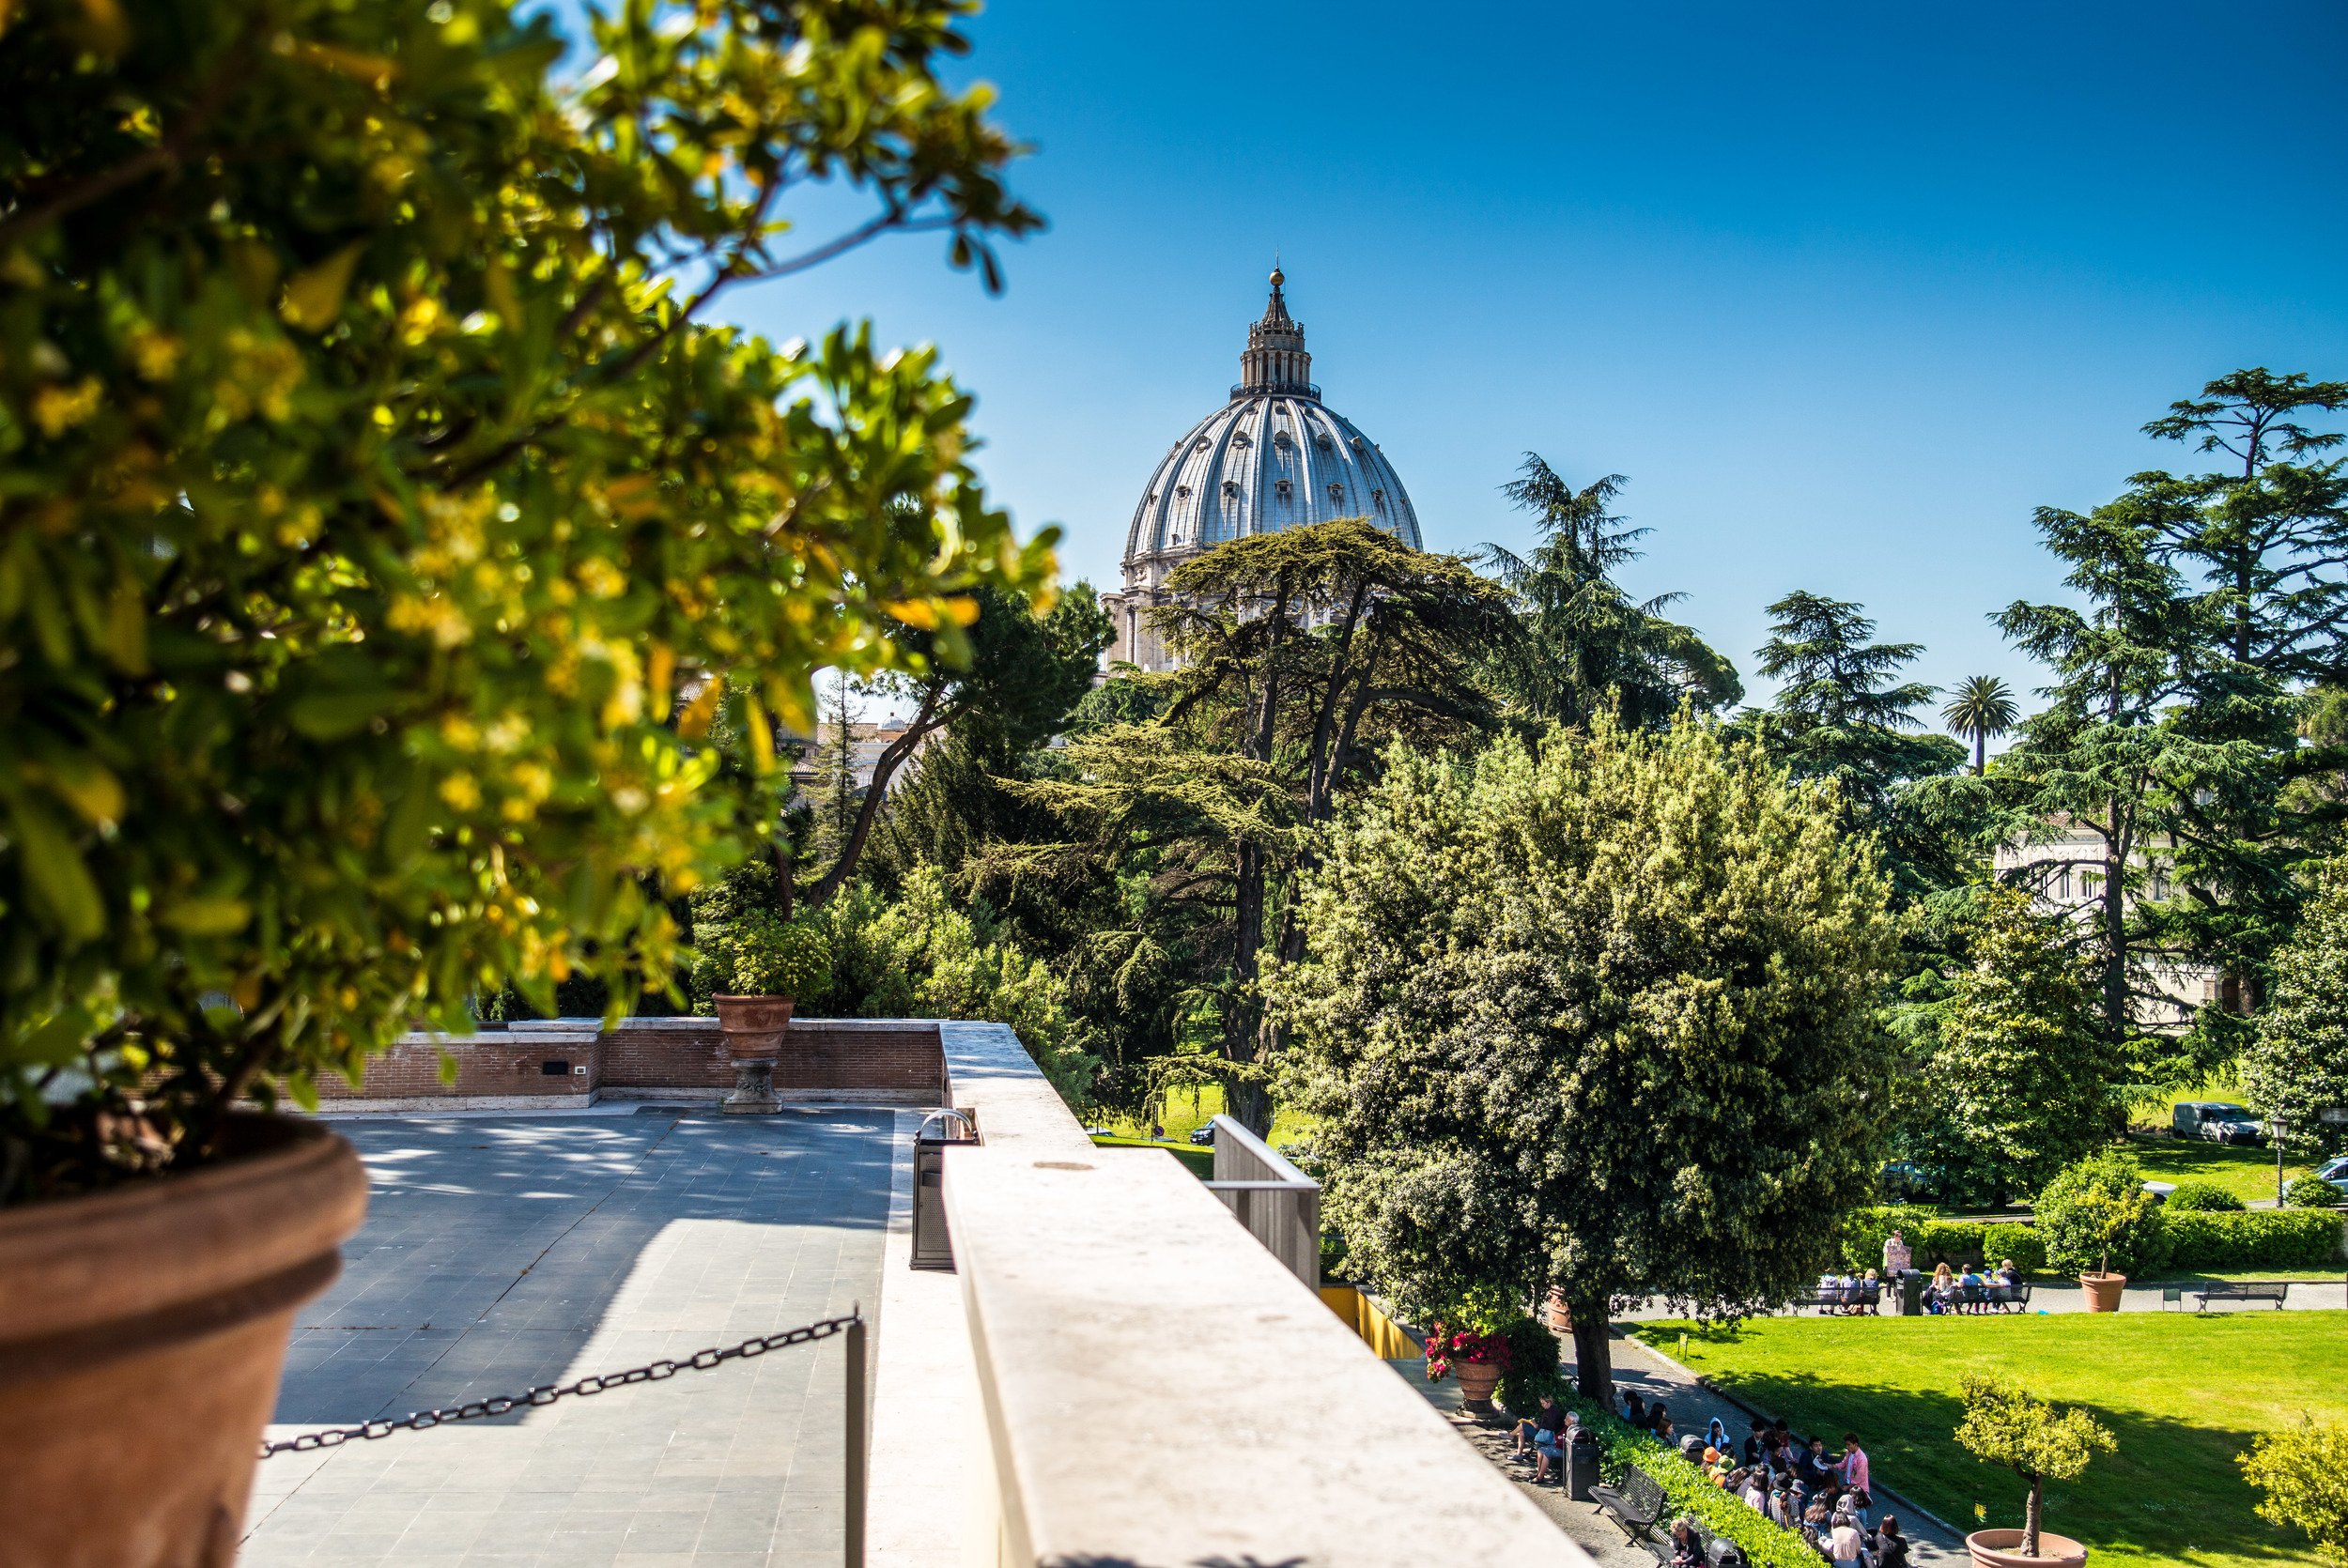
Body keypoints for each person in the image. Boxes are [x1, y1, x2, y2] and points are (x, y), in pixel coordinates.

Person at [1512, 1393, 1566, 1460]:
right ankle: (1519, 1454)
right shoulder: (1549, 1410)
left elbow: (1550, 1426)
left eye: (1543, 1403)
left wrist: (1537, 1426)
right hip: (1542, 1432)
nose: (1542, 1405)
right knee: (1522, 1432)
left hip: (1546, 1435)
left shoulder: (1553, 1412)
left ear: (1549, 1402)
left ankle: (1511, 1435)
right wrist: (1535, 1423)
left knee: (1523, 1425)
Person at [1840, 1433, 1872, 1523]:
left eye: (1849, 1445)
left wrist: (1847, 1487)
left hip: (1858, 1488)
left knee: (1856, 1510)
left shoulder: (1862, 1459)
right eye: (1846, 1445)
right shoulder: (1849, 1453)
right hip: (1849, 1484)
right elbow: (1843, 1463)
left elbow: (1857, 1479)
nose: (1847, 1447)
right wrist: (1832, 1466)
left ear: (1856, 1445)